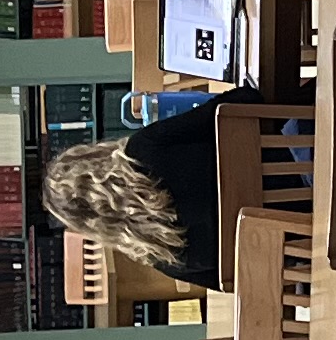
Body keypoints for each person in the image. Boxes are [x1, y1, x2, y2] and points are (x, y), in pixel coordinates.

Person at [40, 84, 286, 291]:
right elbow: (242, 104)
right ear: (91, 156)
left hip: (302, 237)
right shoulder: (144, 148)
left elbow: (240, 284)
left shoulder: (160, 254)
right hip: (303, 162)